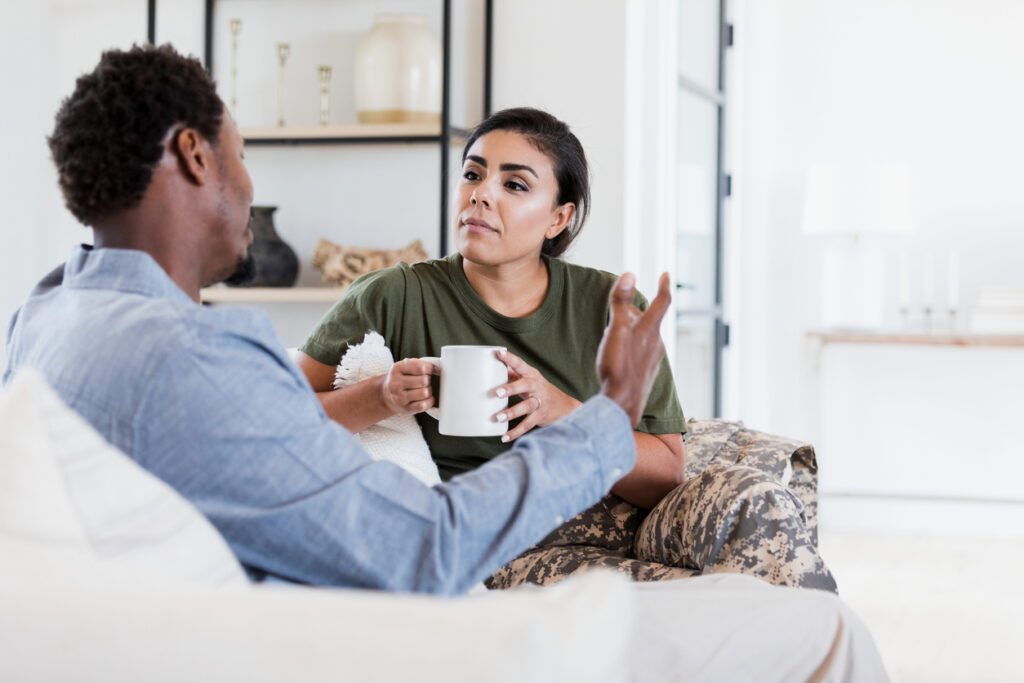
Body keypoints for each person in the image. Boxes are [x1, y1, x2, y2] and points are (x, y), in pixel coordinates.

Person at [3, 45, 888, 680]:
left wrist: (582, 409)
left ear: (560, 216)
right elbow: (426, 550)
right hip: (450, 595)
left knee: (772, 554)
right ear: (196, 156)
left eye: (514, 183)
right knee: (824, 630)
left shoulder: (47, 317)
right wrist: (606, 408)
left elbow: (669, 458)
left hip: (475, 553)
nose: (247, 180)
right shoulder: (201, 358)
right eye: (239, 152)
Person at [297, 107, 838, 592]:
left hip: (627, 516)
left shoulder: (609, 303)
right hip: (508, 537)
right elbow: (278, 418)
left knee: (756, 498)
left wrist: (561, 411)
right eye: (473, 174)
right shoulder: (393, 295)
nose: (481, 194)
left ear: (559, 217)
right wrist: (381, 396)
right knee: (722, 593)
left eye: (514, 185)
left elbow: (667, 475)